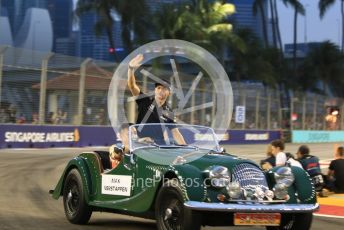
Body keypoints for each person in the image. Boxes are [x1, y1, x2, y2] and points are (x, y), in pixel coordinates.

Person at [127, 54, 186, 145]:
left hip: (159, 147)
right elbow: (132, 86)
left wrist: (185, 148)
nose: (160, 91)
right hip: (141, 144)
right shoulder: (145, 100)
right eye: (158, 88)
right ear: (155, 90)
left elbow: (175, 132)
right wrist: (131, 69)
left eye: (164, 88)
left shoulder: (169, 112)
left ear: (169, 92)